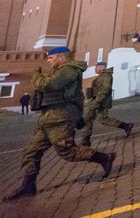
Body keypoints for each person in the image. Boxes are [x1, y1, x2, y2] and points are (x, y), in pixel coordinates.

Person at [4, 47, 115, 201]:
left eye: (51, 58)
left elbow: (50, 85)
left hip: (60, 118)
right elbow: (77, 96)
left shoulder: (69, 70)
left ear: (61, 57)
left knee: (67, 152)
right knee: (31, 151)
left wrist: (36, 75)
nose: (48, 61)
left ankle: (104, 158)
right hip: (48, 118)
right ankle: (28, 185)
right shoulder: (60, 71)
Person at [79, 62, 134, 146]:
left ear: (102, 67)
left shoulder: (106, 76)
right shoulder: (102, 75)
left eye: (96, 67)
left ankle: (126, 126)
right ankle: (86, 140)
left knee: (98, 119)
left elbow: (105, 90)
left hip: (100, 101)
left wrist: (96, 101)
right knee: (89, 118)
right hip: (96, 101)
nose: (95, 68)